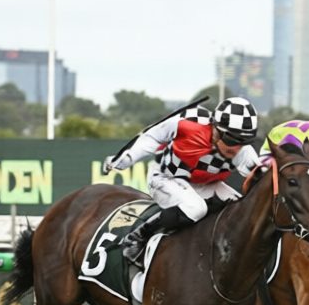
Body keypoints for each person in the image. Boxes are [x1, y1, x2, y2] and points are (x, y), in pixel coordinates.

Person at [104, 97, 261, 266]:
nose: (237, 148)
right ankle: (138, 236)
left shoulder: (243, 151)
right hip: (166, 178)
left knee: (240, 210)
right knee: (196, 208)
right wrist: (127, 158)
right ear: (217, 128)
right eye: (233, 140)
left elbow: (262, 179)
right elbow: (153, 137)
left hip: (207, 185)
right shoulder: (188, 122)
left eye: (243, 142)